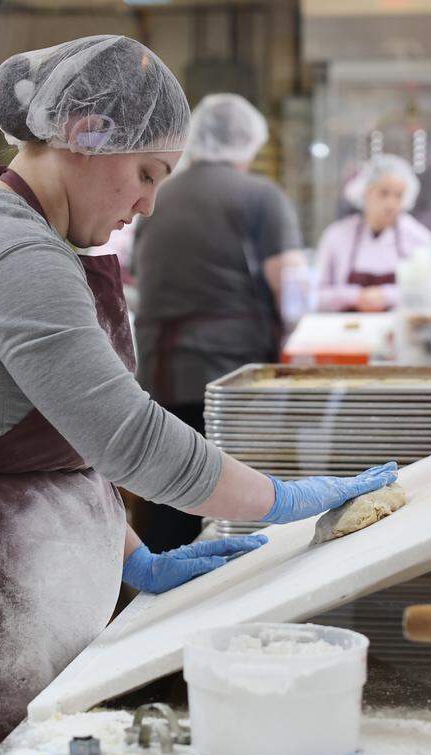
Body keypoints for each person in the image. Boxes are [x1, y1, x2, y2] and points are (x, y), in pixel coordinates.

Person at [0, 37, 397, 755]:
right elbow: (128, 438)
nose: (149, 206)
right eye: (147, 175)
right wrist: (283, 500)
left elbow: (42, 451)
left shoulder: (34, 240)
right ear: (86, 135)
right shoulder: (13, 253)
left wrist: (132, 554)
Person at [131, 93, 305, 552]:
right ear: (248, 143)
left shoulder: (157, 193)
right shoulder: (260, 196)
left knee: (169, 498)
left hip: (158, 372)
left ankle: (157, 612)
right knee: (232, 503)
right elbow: (290, 286)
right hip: (229, 377)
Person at [314, 153, 431, 312]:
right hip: (345, 331)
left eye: (398, 196)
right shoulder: (336, 236)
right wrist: (355, 297)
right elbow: (316, 295)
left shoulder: (418, 238)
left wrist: (386, 296)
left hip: (397, 331)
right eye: (383, 193)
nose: (391, 204)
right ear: (365, 192)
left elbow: (430, 294)